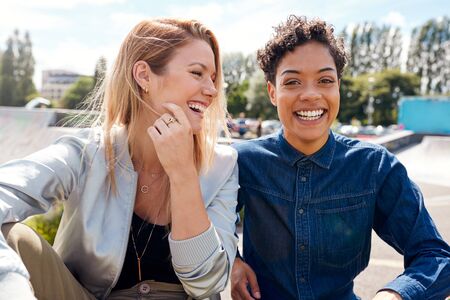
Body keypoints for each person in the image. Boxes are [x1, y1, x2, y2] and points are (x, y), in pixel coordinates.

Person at [0, 18, 239, 300]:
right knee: (15, 237)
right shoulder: (87, 152)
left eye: (212, 78)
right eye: (197, 73)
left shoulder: (222, 164)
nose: (211, 90)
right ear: (144, 75)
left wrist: (183, 173)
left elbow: (207, 285)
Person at [231, 15, 450, 300]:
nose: (310, 94)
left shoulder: (375, 167)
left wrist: (393, 296)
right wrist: (231, 261)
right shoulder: (240, 161)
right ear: (273, 92)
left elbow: (436, 256)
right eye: (293, 82)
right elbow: (201, 222)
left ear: (338, 87)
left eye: (324, 80)